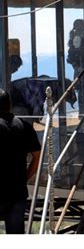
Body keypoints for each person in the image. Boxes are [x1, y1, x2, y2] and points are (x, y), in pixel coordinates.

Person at [0, 89, 40, 234]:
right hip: (17, 191)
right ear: (9, 105)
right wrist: (26, 177)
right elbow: (37, 156)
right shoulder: (25, 126)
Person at [66, 19, 84, 116]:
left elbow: (70, 59)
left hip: (78, 71)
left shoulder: (73, 40)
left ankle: (82, 113)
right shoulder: (82, 40)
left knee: (81, 93)